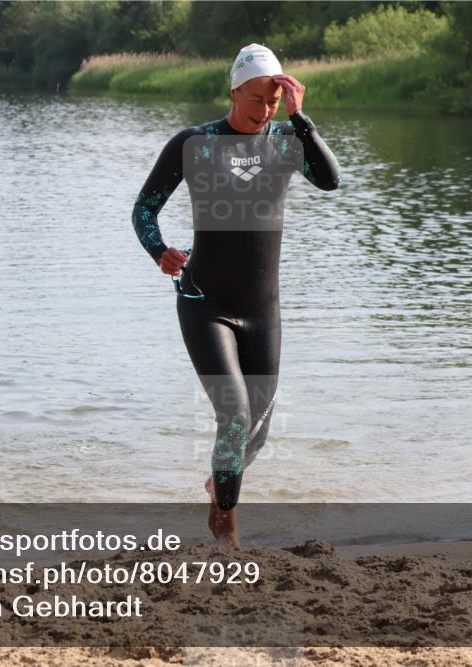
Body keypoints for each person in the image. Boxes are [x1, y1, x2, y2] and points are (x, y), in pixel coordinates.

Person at [131, 43, 340, 547]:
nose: (264, 110)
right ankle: (225, 524)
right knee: (235, 417)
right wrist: (158, 250)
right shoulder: (195, 143)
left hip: (261, 311)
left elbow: (330, 181)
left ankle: (219, 484)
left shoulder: (289, 141)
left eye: (273, 101)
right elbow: (144, 209)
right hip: (206, 304)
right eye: (256, 98)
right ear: (234, 91)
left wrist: (302, 119)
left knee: (259, 433)